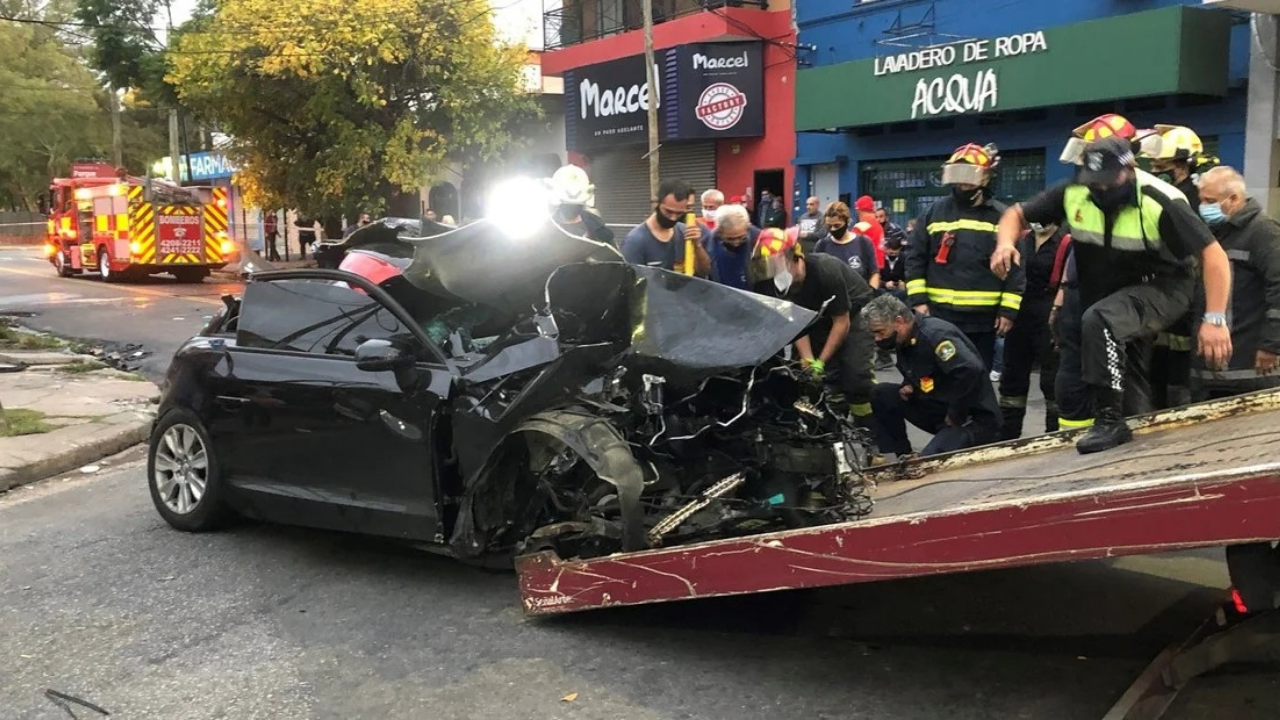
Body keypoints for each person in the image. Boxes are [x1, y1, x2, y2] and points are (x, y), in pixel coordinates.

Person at [992, 134, 1232, 454]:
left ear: (1130, 169)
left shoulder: (1160, 200)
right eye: (1095, 183)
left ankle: (1109, 421)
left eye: (1108, 181)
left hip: (1164, 286)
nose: (1101, 189)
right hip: (1110, 292)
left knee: (1101, 320)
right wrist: (1005, 243)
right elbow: (1016, 215)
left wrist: (1214, 318)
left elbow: (1213, 256)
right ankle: (1134, 435)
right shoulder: (1075, 191)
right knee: (1124, 370)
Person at [906, 143, 1023, 370]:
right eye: (957, 174)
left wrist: (1007, 311)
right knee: (937, 374)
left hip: (983, 321)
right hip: (939, 316)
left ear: (986, 178)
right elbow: (915, 259)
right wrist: (919, 303)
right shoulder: (933, 213)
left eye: (969, 174)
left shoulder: (1002, 217)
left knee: (977, 376)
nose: (963, 181)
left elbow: (1016, 269)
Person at [750, 228, 876, 424]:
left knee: (855, 374)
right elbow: (796, 323)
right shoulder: (772, 284)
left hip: (853, 313)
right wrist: (809, 359)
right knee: (808, 378)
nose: (773, 274)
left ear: (796, 258)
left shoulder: (825, 269)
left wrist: (822, 361)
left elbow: (841, 321)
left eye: (777, 267)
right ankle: (830, 427)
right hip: (815, 318)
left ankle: (870, 431)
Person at [863, 294, 1001, 458]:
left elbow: (970, 371)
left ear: (899, 322)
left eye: (880, 332)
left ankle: (927, 455)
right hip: (938, 407)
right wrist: (909, 384)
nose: (878, 339)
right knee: (881, 393)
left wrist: (956, 413)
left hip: (971, 418)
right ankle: (901, 455)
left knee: (926, 463)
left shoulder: (936, 335)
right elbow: (921, 367)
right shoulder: (904, 337)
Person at [1139, 125, 1214, 409]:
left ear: (1183, 165)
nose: (1157, 172)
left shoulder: (1188, 200)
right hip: (1165, 294)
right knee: (1159, 363)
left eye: (1163, 166)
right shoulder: (1169, 195)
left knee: (1179, 370)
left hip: (1186, 293)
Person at [1190, 167, 1280, 399]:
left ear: (1234, 199)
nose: (1203, 207)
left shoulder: (1264, 233)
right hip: (1210, 370)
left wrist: (1272, 345)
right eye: (1201, 200)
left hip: (1252, 370)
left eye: (1210, 201)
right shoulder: (1211, 234)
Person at [997, 222, 1067, 440]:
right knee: (1012, 377)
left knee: (1051, 378)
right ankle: (1008, 435)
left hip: (1049, 314)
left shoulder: (1065, 241)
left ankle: (1053, 434)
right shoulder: (1022, 239)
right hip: (1019, 314)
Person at [621, 179, 710, 276]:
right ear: (658, 204)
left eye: (679, 213)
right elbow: (630, 283)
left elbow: (703, 272)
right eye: (668, 211)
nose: (673, 218)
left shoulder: (685, 232)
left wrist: (697, 245)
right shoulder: (635, 241)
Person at [813, 201, 880, 288]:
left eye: (837, 226)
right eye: (829, 226)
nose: (833, 229)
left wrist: (871, 294)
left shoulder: (863, 243)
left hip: (860, 297)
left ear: (847, 221)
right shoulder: (822, 245)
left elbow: (874, 273)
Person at [547, 164, 614, 245]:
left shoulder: (597, 227)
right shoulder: (544, 228)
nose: (571, 209)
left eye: (575, 206)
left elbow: (612, 254)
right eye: (567, 206)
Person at [704, 203, 758, 290]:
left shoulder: (758, 238)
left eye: (741, 237)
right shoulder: (707, 242)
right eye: (730, 239)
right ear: (719, 232)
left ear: (747, 227)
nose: (736, 243)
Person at [854, 195, 886, 266]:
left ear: (858, 210)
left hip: (867, 266)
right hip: (879, 265)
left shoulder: (861, 225)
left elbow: (851, 247)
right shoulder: (878, 225)